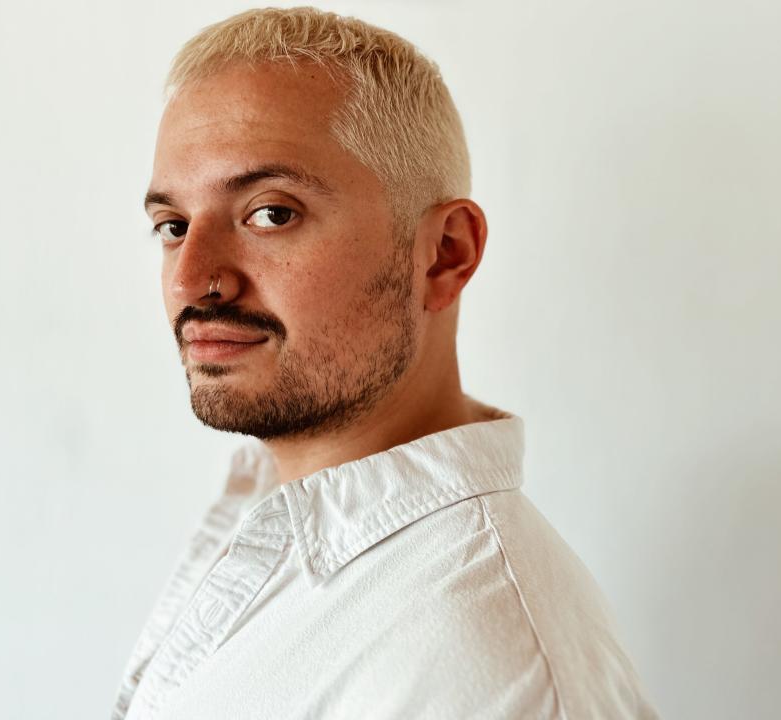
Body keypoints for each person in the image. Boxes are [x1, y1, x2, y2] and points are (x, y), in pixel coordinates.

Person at [115, 7, 658, 719]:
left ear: (444, 254)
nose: (191, 280)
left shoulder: (491, 669)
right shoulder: (282, 521)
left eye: (270, 213)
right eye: (172, 226)